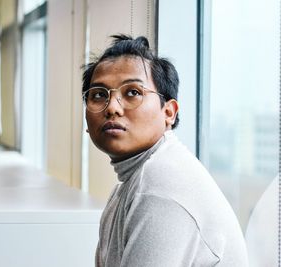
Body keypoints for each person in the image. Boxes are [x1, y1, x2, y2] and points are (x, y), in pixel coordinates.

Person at [82, 34, 249, 266]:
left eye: (133, 92)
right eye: (99, 95)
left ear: (169, 112)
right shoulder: (129, 186)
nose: (112, 107)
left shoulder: (160, 185)